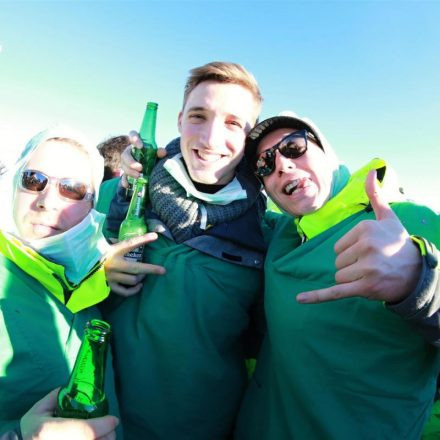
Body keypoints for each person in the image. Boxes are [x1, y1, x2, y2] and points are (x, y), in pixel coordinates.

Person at [235, 114, 440, 439]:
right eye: (264, 164)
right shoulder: (281, 233)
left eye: (294, 146)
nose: (282, 166)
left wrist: (420, 280)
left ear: (328, 152)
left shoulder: (409, 220)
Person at [98, 61, 266, 439]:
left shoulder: (268, 234)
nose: (209, 138)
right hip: (104, 418)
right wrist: (95, 271)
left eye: (233, 123)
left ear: (249, 136)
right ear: (178, 120)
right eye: (199, 116)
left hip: (203, 425)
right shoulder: (114, 197)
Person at [0, 126, 125, 439]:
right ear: (13, 185)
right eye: (33, 180)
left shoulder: (88, 280)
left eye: (71, 188)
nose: (48, 201)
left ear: (92, 206)